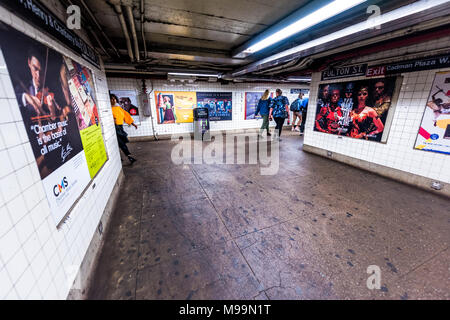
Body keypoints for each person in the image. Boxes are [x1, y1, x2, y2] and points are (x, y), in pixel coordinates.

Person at [111, 94, 138, 164]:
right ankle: (129, 157)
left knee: (120, 143)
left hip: (120, 127)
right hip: (114, 128)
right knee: (120, 143)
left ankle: (126, 157)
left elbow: (126, 116)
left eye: (114, 99)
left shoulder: (119, 108)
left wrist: (133, 124)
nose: (113, 100)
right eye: (111, 99)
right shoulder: (109, 109)